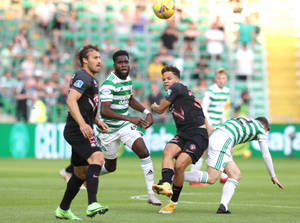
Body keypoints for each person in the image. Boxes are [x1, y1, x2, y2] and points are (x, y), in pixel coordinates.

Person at [95, 50, 161, 206]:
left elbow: (129, 99)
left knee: (144, 152)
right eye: (120, 62)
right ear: (114, 65)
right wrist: (130, 118)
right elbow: (104, 111)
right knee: (111, 167)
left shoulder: (128, 79)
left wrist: (146, 112)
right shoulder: (108, 84)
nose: (124, 65)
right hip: (108, 129)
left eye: (126, 62)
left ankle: (151, 194)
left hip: (124, 126)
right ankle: (88, 175)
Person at [184, 116, 284, 213]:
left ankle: (223, 206)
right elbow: (266, 154)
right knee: (211, 178)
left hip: (218, 137)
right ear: (267, 128)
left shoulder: (244, 119)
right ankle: (176, 175)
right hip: (223, 141)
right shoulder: (261, 129)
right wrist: (273, 176)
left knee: (235, 174)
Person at [54, 45, 109, 220]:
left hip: (82, 127)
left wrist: (96, 121)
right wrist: (83, 124)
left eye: (100, 57)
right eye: (95, 58)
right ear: (85, 60)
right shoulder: (83, 76)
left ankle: (63, 209)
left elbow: (86, 106)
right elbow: (71, 100)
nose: (99, 61)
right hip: (77, 130)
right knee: (98, 158)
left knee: (79, 173)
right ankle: (92, 203)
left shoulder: (91, 79)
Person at [150, 66, 212, 214]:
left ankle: (173, 202)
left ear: (177, 79)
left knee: (179, 166)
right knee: (167, 150)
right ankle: (165, 183)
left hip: (198, 134)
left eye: (168, 78)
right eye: (163, 79)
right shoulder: (178, 94)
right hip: (184, 133)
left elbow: (159, 110)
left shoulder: (177, 87)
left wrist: (152, 107)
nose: (165, 81)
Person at [187, 68, 230, 185]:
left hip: (218, 126)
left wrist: (224, 123)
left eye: (223, 78)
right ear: (215, 79)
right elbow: (203, 108)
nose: (221, 80)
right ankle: (194, 175)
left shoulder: (226, 91)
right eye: (219, 78)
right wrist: (209, 124)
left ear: (226, 79)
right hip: (208, 125)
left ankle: (223, 175)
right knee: (203, 150)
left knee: (220, 149)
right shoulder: (211, 91)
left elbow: (221, 109)